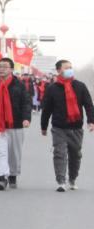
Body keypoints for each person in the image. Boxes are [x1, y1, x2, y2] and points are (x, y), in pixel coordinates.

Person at [40, 60, 94, 191]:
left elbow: (88, 105)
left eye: (71, 67)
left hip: (76, 127)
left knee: (76, 155)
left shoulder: (80, 86)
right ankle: (61, 181)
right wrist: (44, 126)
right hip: (59, 128)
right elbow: (46, 109)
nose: (70, 70)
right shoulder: (52, 88)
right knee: (59, 153)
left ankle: (72, 178)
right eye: (66, 68)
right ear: (59, 70)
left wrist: (91, 121)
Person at [0, 57, 32, 191]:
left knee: (14, 154)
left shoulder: (19, 85)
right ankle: (1, 178)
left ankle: (13, 176)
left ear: (11, 69)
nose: (1, 69)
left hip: (16, 124)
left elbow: (26, 103)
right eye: (0, 66)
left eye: (5, 66)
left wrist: (26, 118)